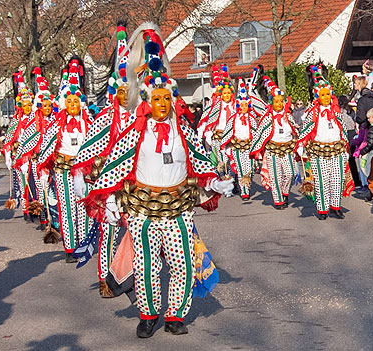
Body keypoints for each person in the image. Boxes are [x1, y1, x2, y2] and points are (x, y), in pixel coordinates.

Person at [83, 23, 233, 338]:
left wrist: (214, 183)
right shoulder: (135, 131)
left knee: (182, 265)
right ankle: (148, 315)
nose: (162, 105)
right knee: (147, 265)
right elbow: (117, 164)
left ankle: (176, 316)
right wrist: (110, 199)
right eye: (157, 99)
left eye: (167, 99)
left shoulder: (184, 129)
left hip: (178, 208)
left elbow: (199, 160)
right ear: (149, 101)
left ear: (172, 99)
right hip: (141, 210)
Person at [71, 21, 131, 297]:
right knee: (108, 232)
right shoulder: (105, 117)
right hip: (109, 184)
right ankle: (105, 277)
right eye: (120, 89)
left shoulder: (141, 117)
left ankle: (134, 275)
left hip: (135, 185)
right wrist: (82, 174)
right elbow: (88, 148)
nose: (124, 94)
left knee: (137, 231)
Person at [37, 56, 93, 263]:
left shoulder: (89, 122)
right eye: (68, 101)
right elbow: (46, 148)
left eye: (75, 100)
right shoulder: (57, 124)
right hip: (62, 170)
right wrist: (43, 170)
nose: (72, 104)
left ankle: (83, 243)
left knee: (83, 208)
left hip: (83, 170)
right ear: (64, 103)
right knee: (67, 208)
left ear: (80, 102)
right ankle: (70, 247)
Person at [296, 65, 352, 219]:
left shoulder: (336, 111)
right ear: (318, 96)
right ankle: (322, 209)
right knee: (322, 181)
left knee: (337, 180)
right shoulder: (313, 112)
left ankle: (336, 206)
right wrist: (301, 146)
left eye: (328, 94)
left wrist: (346, 150)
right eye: (323, 95)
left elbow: (343, 130)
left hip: (337, 151)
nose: (326, 97)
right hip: (319, 152)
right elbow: (306, 130)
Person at [13, 67, 55, 230]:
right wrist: (21, 156)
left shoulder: (54, 120)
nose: (47, 109)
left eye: (49, 105)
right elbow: (24, 140)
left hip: (52, 162)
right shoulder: (33, 123)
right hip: (36, 161)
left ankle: (53, 218)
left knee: (51, 191)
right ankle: (42, 217)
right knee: (39, 188)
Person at [250, 76, 298, 210]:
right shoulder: (267, 117)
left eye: (281, 101)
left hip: (287, 149)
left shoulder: (288, 115)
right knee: (275, 177)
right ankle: (278, 201)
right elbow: (259, 133)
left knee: (290, 174)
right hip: (272, 150)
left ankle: (285, 192)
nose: (279, 104)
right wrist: (257, 151)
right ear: (272, 102)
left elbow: (294, 129)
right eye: (276, 102)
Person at [4, 72, 35, 220]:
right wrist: (8, 157)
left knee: (35, 184)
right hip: (20, 157)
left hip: (33, 157)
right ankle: (25, 209)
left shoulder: (36, 120)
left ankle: (36, 208)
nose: (28, 107)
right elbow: (9, 140)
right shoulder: (16, 121)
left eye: (30, 104)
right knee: (23, 184)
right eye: (25, 104)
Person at [220, 78, 258, 200]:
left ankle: (247, 183)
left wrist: (257, 147)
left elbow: (256, 132)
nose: (243, 107)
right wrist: (225, 147)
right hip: (237, 147)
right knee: (241, 169)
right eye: (241, 105)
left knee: (249, 170)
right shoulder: (234, 117)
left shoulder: (251, 118)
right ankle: (244, 193)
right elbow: (228, 131)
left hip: (249, 147)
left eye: (245, 105)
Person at [197, 65, 235, 178]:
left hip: (232, 137)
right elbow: (207, 119)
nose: (227, 95)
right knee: (221, 159)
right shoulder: (215, 105)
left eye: (229, 93)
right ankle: (224, 179)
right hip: (218, 136)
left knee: (231, 158)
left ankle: (233, 181)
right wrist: (203, 134)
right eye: (224, 93)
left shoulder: (234, 106)